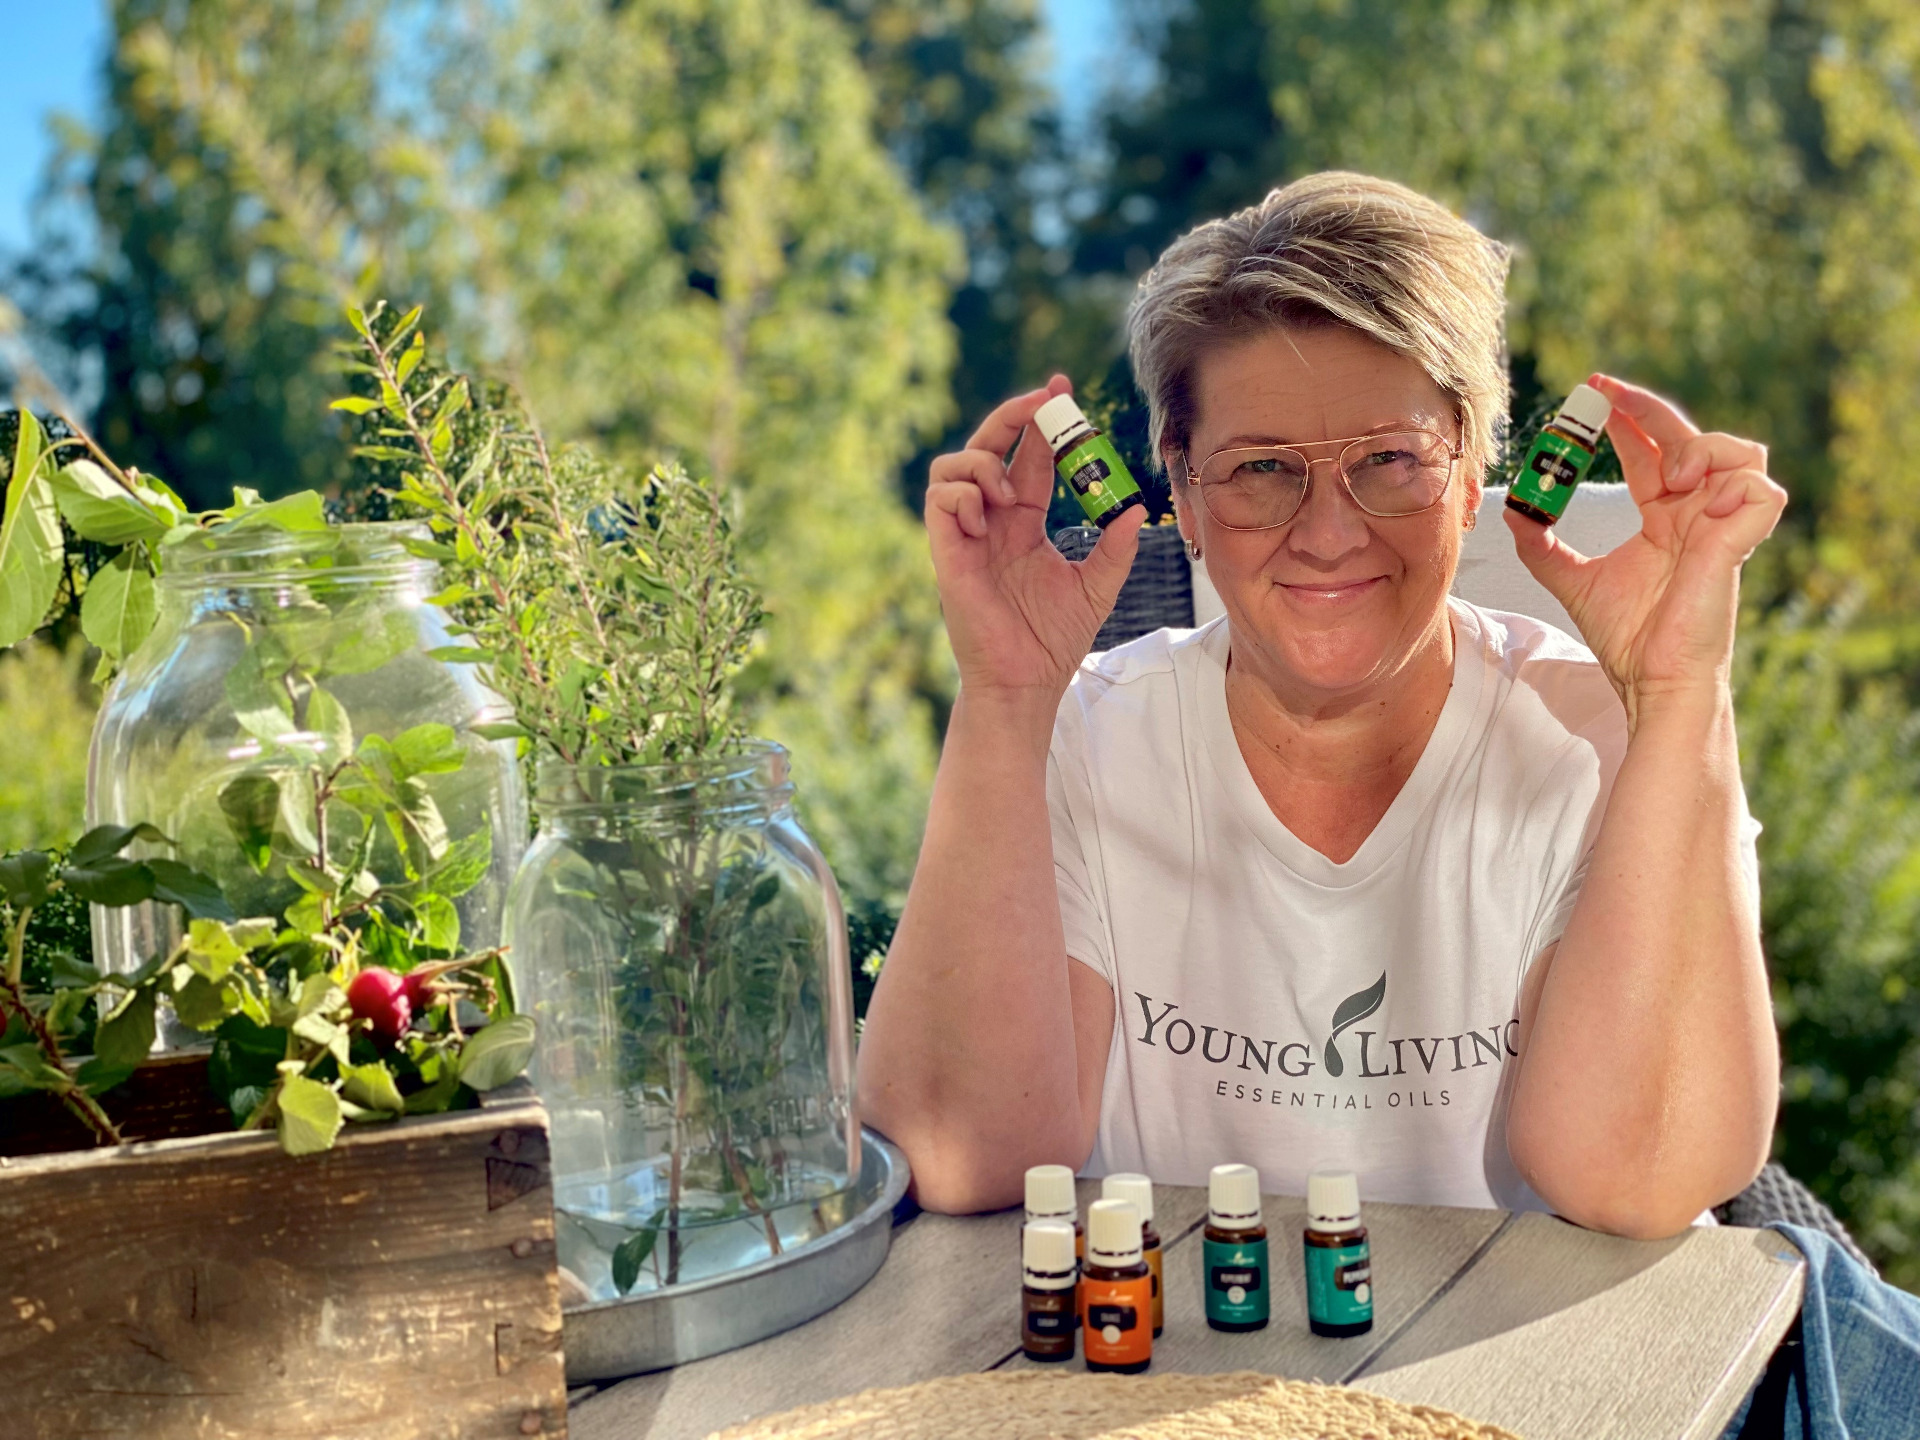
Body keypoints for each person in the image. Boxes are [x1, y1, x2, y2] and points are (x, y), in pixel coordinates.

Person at [856, 171, 1787, 1238]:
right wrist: (1004, 698)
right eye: (1261, 469)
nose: (1330, 534)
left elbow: (1638, 1182)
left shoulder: (1603, 741)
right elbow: (955, 1152)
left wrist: (1678, 695)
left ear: (1470, 475)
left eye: (1390, 458)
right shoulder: (1083, 740)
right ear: (1184, 493)